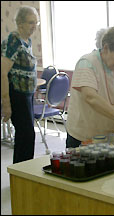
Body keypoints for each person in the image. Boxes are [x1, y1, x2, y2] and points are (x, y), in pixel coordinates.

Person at [65, 26, 114, 148]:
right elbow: (90, 97)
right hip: (83, 136)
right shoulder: (86, 63)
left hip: (106, 135)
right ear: (106, 48)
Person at [1, 5, 40, 164]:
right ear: (20, 23)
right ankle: (20, 175)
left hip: (27, 95)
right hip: (17, 94)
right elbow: (2, 72)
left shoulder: (27, 41)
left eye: (36, 23)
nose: (34, 27)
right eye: (31, 23)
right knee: (26, 136)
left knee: (27, 136)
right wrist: (6, 104)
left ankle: (25, 172)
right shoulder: (13, 41)